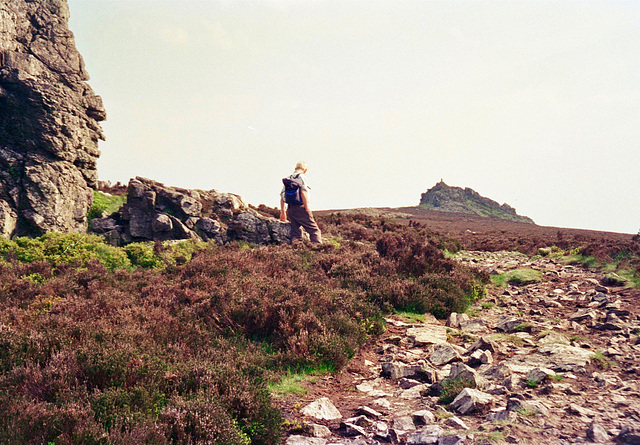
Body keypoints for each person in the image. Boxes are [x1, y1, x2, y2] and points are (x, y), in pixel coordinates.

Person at [280, 161, 322, 244]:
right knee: (314, 230)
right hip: (300, 208)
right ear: (305, 170)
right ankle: (318, 249)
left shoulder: (288, 178)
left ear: (295, 168)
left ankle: (296, 249)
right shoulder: (302, 177)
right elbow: (303, 192)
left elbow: (282, 196)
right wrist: (306, 208)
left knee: (295, 231)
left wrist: (283, 211)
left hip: (290, 208)